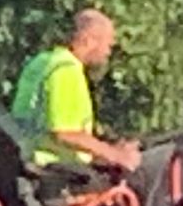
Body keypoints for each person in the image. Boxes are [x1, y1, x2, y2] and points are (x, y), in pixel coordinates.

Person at [9, 9, 142, 173]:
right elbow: (65, 133)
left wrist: (106, 151)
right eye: (108, 45)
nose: (108, 52)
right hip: (56, 173)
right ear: (89, 40)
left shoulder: (42, 61)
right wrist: (115, 155)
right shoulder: (66, 71)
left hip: (30, 163)